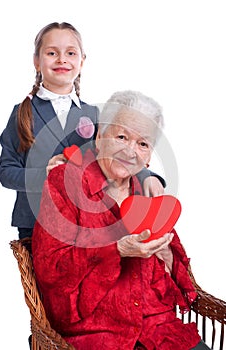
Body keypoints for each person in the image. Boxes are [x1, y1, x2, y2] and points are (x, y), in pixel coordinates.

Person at [32, 90, 210, 350]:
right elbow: (51, 269)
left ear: (149, 157)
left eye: (143, 144)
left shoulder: (149, 192)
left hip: (157, 328)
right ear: (100, 137)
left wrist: (166, 257)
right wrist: (116, 250)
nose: (130, 151)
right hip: (95, 332)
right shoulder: (65, 182)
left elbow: (183, 283)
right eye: (122, 136)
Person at [0, 22, 165, 240]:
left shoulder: (93, 114)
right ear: (37, 61)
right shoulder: (22, 113)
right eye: (51, 53)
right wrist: (44, 176)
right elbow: (6, 171)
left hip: (87, 221)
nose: (62, 59)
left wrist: (147, 176)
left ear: (82, 61)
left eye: (70, 53)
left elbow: (116, 152)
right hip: (36, 222)